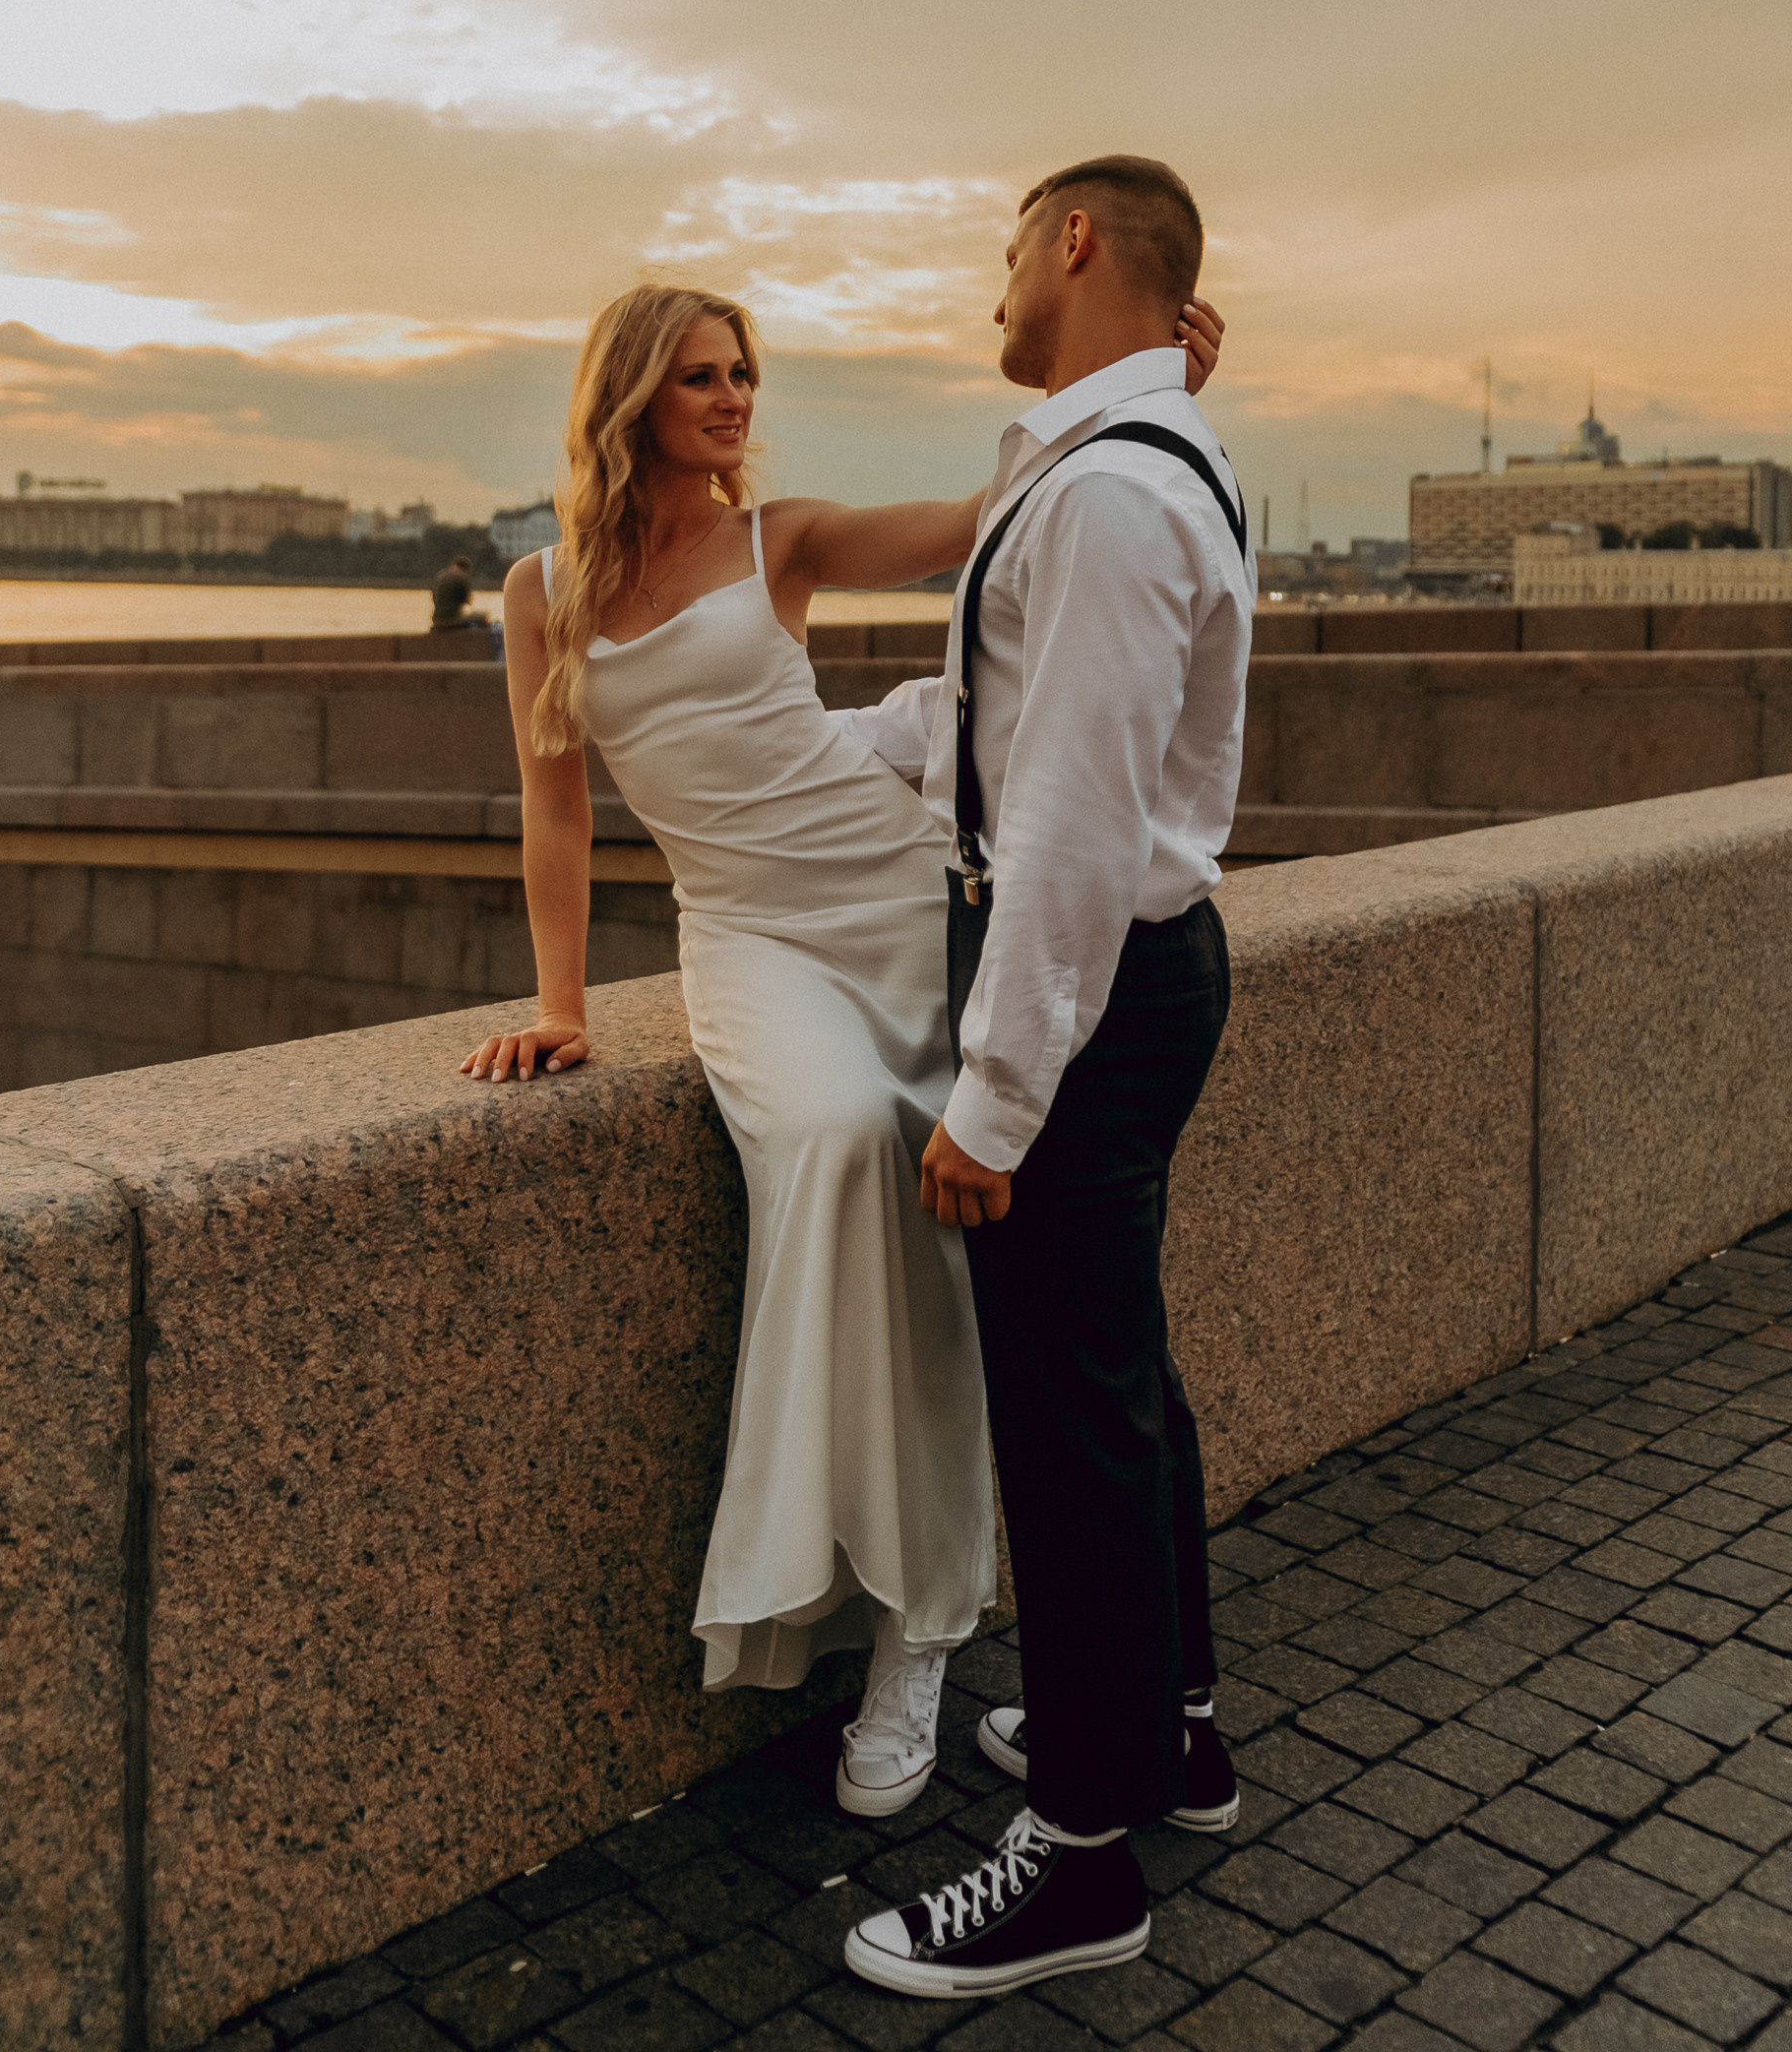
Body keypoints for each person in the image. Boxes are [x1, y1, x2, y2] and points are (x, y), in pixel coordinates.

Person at [461, 263, 1225, 1821]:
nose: (734, 398)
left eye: (742, 372)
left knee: (962, 1214)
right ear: (629, 397)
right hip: (742, 934)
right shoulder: (540, 593)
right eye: (699, 377)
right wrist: (558, 1006)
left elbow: (986, 524)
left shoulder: (780, 537)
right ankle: (872, 1588)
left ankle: (920, 1631)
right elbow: (556, 811)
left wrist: (1157, 390)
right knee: (828, 1140)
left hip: (886, 884)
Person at [842, 154, 1254, 2002]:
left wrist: (992, 1103)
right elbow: (1010, 731)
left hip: (1085, 1001)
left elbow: (1072, 829)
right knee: (1121, 1379)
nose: (990, 283)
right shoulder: (1138, 464)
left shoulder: (1107, 502)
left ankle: (1081, 1858)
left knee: (1072, 1426)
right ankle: (1167, 1731)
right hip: (1143, 989)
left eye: (1006, 245)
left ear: (1075, 239)